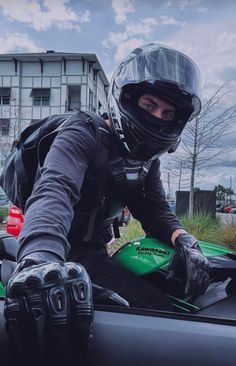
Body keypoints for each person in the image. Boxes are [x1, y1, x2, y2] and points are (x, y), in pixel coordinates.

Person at [4, 43, 209, 362]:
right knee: (157, 314)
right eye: (149, 104)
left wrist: (184, 240)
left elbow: (155, 212)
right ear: (125, 99)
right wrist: (41, 258)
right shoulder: (83, 131)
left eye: (167, 113)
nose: (157, 118)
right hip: (61, 256)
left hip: (95, 252)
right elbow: (54, 189)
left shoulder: (145, 161)